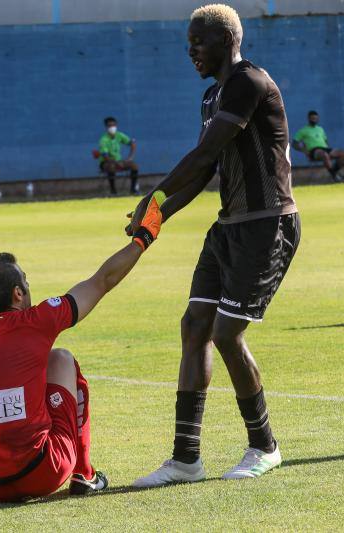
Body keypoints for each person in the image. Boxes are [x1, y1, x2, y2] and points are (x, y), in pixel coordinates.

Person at [127, 4, 300, 487]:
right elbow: (206, 170)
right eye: (188, 43)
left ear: (226, 41)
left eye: (198, 42)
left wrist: (153, 195)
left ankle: (265, 447)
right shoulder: (211, 97)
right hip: (230, 226)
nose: (191, 51)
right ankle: (185, 458)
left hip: (268, 225)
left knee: (226, 334)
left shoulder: (249, 82)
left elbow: (203, 152)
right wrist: (155, 219)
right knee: (194, 325)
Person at [0, 192, 166, 502]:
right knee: (63, 359)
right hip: (43, 472)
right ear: (17, 293)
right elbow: (102, 281)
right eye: (25, 281)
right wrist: (144, 238)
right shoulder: (36, 320)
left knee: (46, 370)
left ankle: (75, 470)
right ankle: (84, 474)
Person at [291, 111, 344, 182]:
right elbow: (294, 143)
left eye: (316, 118)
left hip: (325, 149)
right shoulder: (303, 130)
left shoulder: (320, 129)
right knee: (324, 155)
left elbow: (326, 141)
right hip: (313, 151)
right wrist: (304, 151)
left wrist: (329, 150)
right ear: (308, 119)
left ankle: (335, 174)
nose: (314, 120)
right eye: (312, 118)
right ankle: (337, 177)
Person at [98, 117, 140, 195]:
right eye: (110, 126)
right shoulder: (103, 139)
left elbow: (132, 143)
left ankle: (133, 189)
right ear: (106, 127)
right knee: (111, 167)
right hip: (106, 162)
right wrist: (117, 163)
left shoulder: (119, 135)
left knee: (134, 166)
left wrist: (130, 158)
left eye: (114, 125)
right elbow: (105, 156)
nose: (112, 127)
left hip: (119, 161)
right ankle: (113, 191)